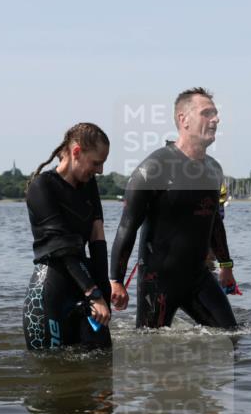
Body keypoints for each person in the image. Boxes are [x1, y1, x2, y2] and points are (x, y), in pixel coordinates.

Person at [110, 87, 237, 328]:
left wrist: (226, 266)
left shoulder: (213, 169)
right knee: (150, 350)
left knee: (231, 338)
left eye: (216, 114)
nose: (216, 119)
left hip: (199, 277)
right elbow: (127, 227)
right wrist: (116, 280)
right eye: (207, 113)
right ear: (183, 119)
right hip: (158, 282)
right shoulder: (155, 167)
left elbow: (214, 223)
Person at [23, 123, 112, 350]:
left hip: (85, 288)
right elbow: (62, 249)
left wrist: (104, 295)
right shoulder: (41, 186)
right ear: (76, 153)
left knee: (103, 364)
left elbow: (97, 239)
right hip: (49, 294)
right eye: (96, 163)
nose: (100, 170)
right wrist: (93, 293)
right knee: (52, 374)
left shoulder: (88, 185)